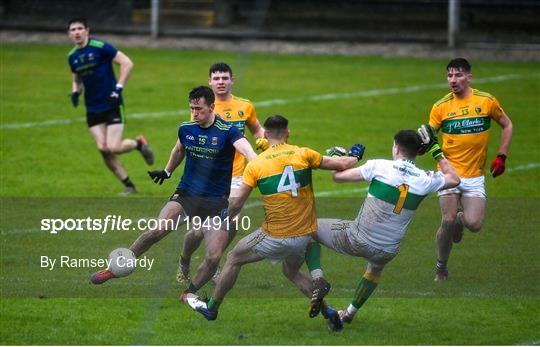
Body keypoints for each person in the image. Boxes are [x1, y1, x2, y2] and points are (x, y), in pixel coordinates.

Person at [184, 115, 363, 328]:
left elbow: (236, 204)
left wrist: (219, 220)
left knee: (233, 258)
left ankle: (212, 307)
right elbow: (343, 163)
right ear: (288, 133)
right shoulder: (304, 153)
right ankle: (330, 313)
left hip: (275, 235)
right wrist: (355, 154)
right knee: (290, 271)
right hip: (304, 235)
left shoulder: (256, 165)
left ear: (265, 135)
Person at [90, 86, 257, 288]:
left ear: (212, 107)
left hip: (215, 202)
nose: (194, 113)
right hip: (186, 194)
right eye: (192, 108)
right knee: (157, 231)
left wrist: (256, 171)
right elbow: (178, 150)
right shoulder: (187, 129)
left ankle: (189, 292)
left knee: (213, 257)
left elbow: (249, 153)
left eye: (199, 109)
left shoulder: (228, 132)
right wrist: (167, 171)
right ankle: (118, 267)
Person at [304, 128, 460, 330]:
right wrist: (436, 151)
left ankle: (318, 280)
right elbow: (455, 179)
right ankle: (349, 314)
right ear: (417, 151)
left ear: (395, 148)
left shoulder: (379, 166)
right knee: (375, 269)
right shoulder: (426, 179)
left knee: (306, 226)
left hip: (356, 238)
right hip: (388, 250)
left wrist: (343, 158)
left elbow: (339, 177)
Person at [177, 62, 268, 286]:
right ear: (210, 82)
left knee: (232, 220)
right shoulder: (202, 105)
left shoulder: (245, 106)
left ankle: (212, 262)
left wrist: (264, 140)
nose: (220, 82)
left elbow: (256, 129)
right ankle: (184, 260)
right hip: (207, 180)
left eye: (224, 78)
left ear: (231, 80)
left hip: (237, 176)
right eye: (216, 78)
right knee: (196, 232)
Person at [428, 58, 513, 282]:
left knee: (474, 224)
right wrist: (421, 144)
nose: (452, 80)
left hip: (474, 175)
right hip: (448, 173)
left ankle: (460, 219)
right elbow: (429, 138)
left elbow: (507, 124)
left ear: (469, 77)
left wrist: (501, 156)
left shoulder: (486, 101)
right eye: (449, 76)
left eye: (457, 75)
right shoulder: (440, 107)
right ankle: (441, 268)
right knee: (446, 221)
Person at [67, 18, 154, 195]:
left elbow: (127, 62)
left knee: (113, 147)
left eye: (79, 28)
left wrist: (118, 88)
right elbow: (77, 79)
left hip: (112, 103)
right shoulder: (72, 57)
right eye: (73, 30)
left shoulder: (100, 47)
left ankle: (139, 144)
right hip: (92, 108)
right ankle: (129, 186)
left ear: (87, 30)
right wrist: (76, 92)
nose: (76, 32)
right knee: (103, 149)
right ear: (69, 34)